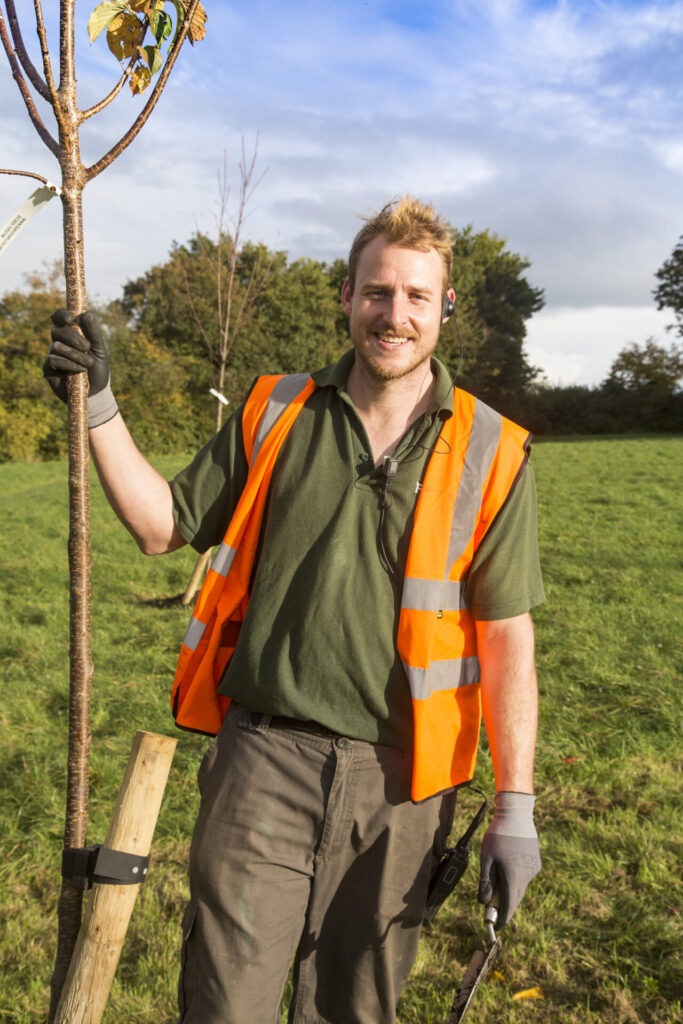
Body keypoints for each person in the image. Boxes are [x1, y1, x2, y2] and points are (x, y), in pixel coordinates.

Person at [44, 197, 544, 1024]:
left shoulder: (494, 449)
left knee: (355, 1009)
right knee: (223, 1002)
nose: (395, 314)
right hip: (261, 765)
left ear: (444, 308)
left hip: (403, 789)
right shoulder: (275, 410)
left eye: (417, 297)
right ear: (345, 296)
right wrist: (96, 400)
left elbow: (506, 638)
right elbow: (158, 526)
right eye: (377, 292)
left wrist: (514, 810)